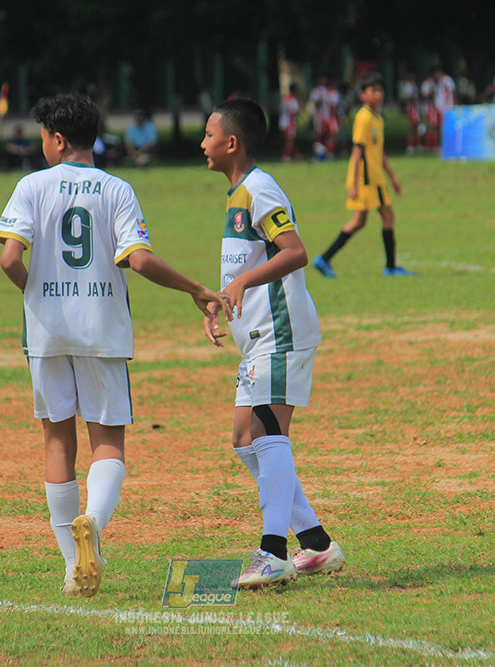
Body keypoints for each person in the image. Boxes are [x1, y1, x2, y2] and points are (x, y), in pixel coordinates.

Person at [0, 93, 230, 597]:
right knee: (108, 444)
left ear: (57, 140)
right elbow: (138, 260)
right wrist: (195, 289)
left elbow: (10, 259)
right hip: (102, 329)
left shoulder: (30, 186)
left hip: (47, 333)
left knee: (57, 442)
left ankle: (71, 566)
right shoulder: (116, 189)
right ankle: (94, 522)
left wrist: (38, 296)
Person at [200, 97, 345, 589]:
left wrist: (243, 284)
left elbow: (295, 253)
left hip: (281, 335)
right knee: (246, 440)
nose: (203, 144)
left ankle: (273, 553)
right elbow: (248, 264)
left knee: (267, 435)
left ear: (231, 142)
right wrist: (223, 297)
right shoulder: (238, 193)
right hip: (259, 338)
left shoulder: (259, 188)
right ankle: (318, 545)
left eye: (209, 135)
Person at [312, 72, 412, 279]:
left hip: (375, 178)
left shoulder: (377, 118)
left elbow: (379, 152)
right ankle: (390, 267)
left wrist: (393, 177)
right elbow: (357, 152)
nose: (378, 94)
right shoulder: (363, 118)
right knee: (385, 216)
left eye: (380, 90)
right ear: (363, 95)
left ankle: (324, 259)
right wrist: (353, 184)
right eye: (373, 91)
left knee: (361, 221)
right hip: (366, 179)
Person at [399, 72, 423, 154]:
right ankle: (410, 145)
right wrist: (414, 98)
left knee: (417, 126)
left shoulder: (414, 84)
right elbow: (408, 96)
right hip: (412, 108)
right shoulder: (408, 85)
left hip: (416, 108)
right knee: (412, 127)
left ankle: (418, 145)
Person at [279, 83, 301, 162]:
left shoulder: (285, 99)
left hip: (284, 121)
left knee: (292, 139)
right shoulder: (292, 100)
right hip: (289, 122)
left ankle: (297, 154)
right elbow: (294, 112)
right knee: (290, 140)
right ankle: (286, 156)